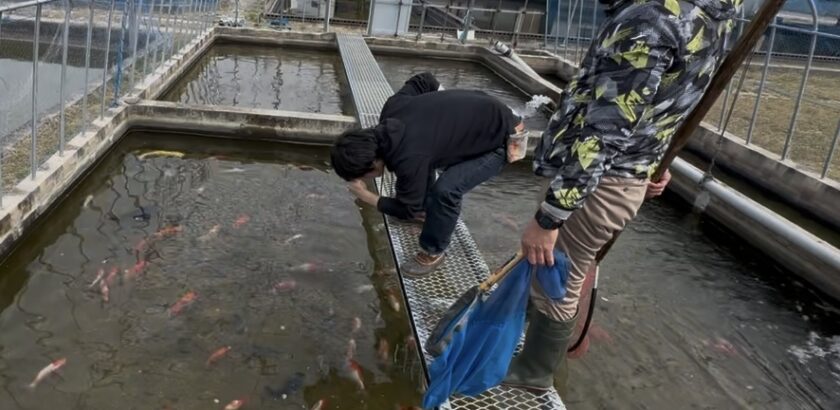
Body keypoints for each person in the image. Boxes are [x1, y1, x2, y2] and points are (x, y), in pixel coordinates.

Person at [504, 0, 739, 396]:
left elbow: (605, 130)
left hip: (599, 182)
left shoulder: (650, 19)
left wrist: (550, 217)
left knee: (556, 278)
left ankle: (533, 372)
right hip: (627, 173)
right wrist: (652, 161)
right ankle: (530, 349)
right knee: (559, 270)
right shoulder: (707, 15)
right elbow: (671, 98)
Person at [330, 72, 525, 276]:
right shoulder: (391, 110)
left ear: (371, 164)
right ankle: (424, 211)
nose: (366, 179)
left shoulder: (408, 157)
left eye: (363, 176)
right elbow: (424, 80)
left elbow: (407, 208)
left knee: (446, 191)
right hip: (488, 109)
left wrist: (366, 196)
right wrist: (447, 108)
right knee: (429, 158)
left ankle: (433, 252)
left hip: (508, 138)